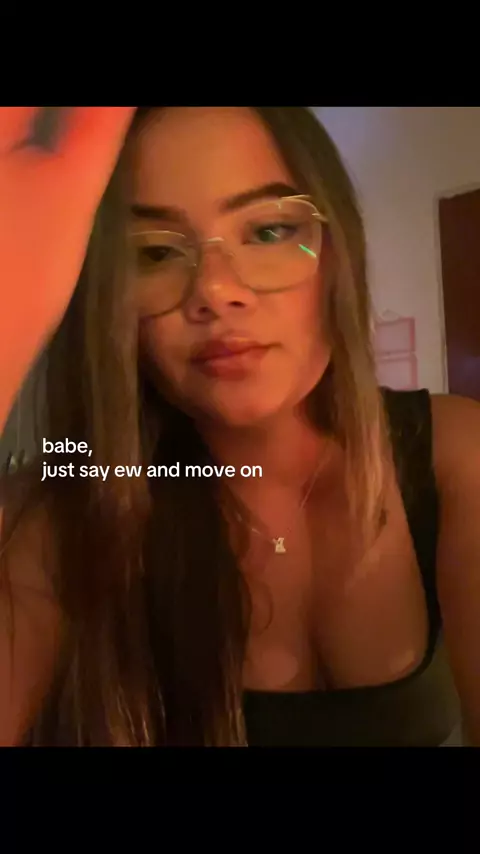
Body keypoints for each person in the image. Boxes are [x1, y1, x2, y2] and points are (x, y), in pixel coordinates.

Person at [0, 106, 478, 747]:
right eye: (156, 252)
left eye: (270, 230)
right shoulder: (62, 517)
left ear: (338, 252)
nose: (216, 290)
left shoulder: (457, 454)